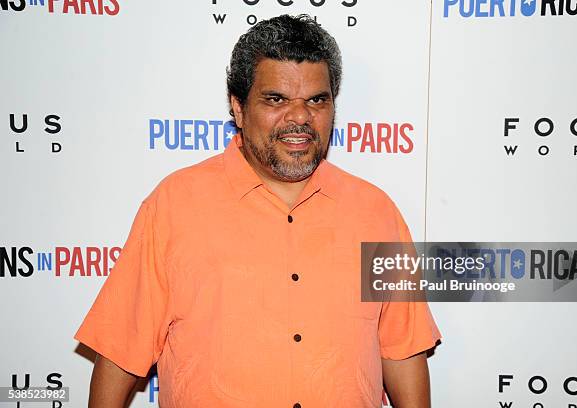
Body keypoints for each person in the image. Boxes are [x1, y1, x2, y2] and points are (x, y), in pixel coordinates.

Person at [75, 14, 441, 408]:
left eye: (317, 99)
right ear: (238, 107)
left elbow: (402, 351)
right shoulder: (174, 205)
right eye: (276, 99)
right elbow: (120, 350)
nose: (300, 117)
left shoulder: (376, 212)